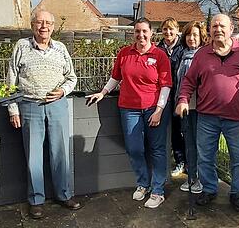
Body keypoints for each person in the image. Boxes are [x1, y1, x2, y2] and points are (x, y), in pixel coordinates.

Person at [86, 17, 172, 209]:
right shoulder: (125, 53)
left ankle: (157, 190)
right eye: (137, 31)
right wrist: (103, 92)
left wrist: (159, 110)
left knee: (157, 149)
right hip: (129, 109)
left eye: (144, 31)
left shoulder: (159, 55)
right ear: (133, 33)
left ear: (151, 33)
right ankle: (143, 183)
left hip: (153, 108)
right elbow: (115, 77)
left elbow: (166, 85)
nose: (141, 35)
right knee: (134, 149)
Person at [175, 14, 239, 213]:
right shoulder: (202, 55)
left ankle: (238, 194)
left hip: (237, 118)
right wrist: (183, 100)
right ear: (209, 30)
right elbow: (188, 81)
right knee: (205, 156)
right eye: (214, 26)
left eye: (222, 26)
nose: (218, 29)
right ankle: (210, 189)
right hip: (207, 117)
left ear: (231, 29)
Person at [8, 10, 81, 219]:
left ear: (53, 26)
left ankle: (64, 194)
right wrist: (13, 109)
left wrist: (63, 91)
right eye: (39, 22)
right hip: (30, 105)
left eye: (48, 23)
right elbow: (11, 79)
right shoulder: (21, 46)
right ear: (32, 25)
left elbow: (72, 77)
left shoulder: (61, 48)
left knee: (60, 152)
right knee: (33, 155)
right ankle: (36, 200)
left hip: (57, 105)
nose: (44, 26)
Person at [175, 21, 207, 194]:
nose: (192, 38)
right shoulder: (183, 54)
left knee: (201, 145)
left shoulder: (204, 55)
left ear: (202, 37)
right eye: (188, 34)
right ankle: (192, 176)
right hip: (186, 107)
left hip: (201, 108)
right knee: (189, 144)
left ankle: (203, 179)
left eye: (195, 34)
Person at [157, 17, 187, 176]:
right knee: (169, 131)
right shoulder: (158, 48)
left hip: (179, 94)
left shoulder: (183, 48)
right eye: (165, 29)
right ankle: (174, 160)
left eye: (171, 29)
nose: (168, 32)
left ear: (177, 30)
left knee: (181, 130)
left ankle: (184, 161)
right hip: (163, 95)